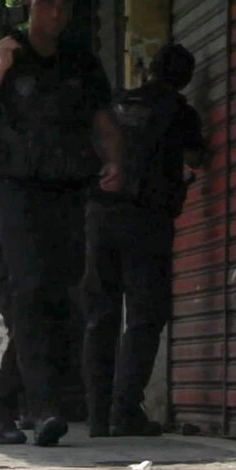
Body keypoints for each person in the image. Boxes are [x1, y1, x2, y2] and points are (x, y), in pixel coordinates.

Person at [0, 0, 120, 447]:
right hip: (12, 188)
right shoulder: (2, 52)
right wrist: (2, 65)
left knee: (59, 295)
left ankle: (1, 403)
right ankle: (43, 405)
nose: (55, 12)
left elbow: (102, 121)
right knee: (29, 287)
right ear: (30, 5)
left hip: (66, 187)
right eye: (46, 2)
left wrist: (115, 161)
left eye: (63, 5)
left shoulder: (81, 61)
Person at [83, 44, 206, 437]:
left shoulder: (118, 103)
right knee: (145, 315)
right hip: (146, 219)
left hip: (99, 215)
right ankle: (123, 410)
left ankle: (97, 415)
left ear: (149, 70)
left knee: (101, 315)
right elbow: (196, 157)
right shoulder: (180, 112)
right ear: (185, 79)